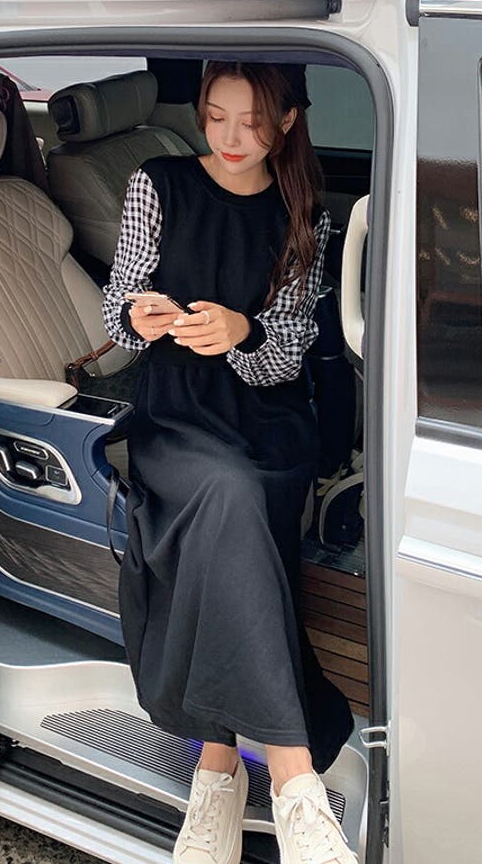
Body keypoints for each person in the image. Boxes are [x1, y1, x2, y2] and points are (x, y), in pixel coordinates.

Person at [102, 61, 357, 864]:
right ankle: (292, 779)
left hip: (266, 413)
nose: (231, 137)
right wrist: (143, 315)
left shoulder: (301, 210)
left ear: (286, 121)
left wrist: (243, 331)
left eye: (251, 121)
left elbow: (290, 350)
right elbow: (117, 305)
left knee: (239, 501)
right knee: (229, 496)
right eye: (216, 117)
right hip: (176, 413)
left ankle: (217, 774)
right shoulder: (158, 183)